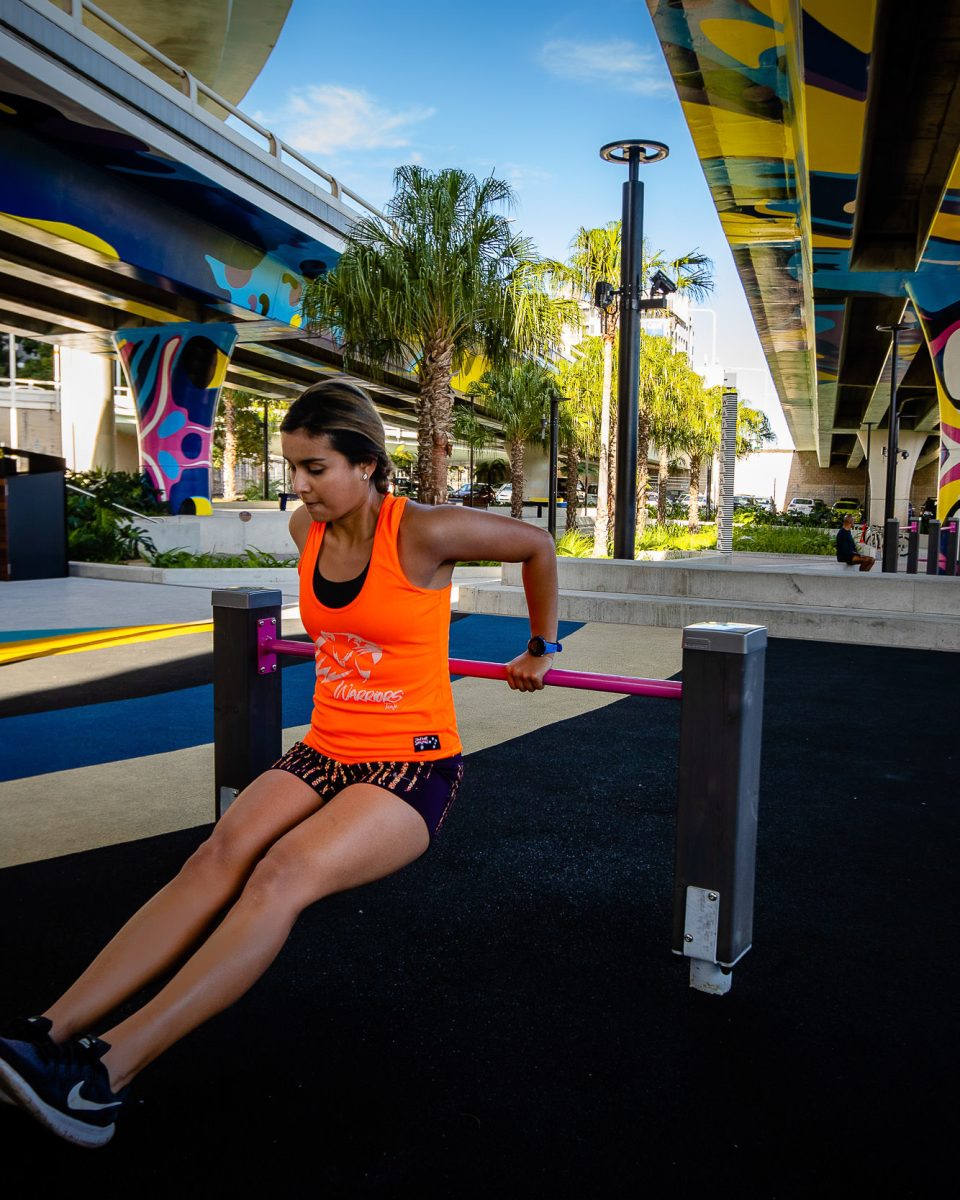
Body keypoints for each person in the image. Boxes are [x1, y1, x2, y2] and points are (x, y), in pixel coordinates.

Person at [0, 378, 561, 1148]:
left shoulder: (424, 532)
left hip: (411, 765)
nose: (299, 485)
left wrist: (541, 646)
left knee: (279, 874)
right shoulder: (308, 528)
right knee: (214, 856)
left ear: (366, 463)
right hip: (325, 748)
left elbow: (537, 545)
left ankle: (106, 1077)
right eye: (293, 466)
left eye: (315, 467)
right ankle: (47, 1032)